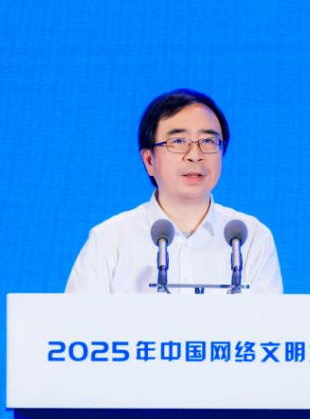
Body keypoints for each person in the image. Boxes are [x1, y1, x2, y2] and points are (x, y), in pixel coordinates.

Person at [64, 89, 283, 294]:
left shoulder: (252, 238)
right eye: (178, 141)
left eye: (208, 141)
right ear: (149, 160)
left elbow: (269, 321)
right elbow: (77, 320)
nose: (195, 155)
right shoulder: (110, 240)